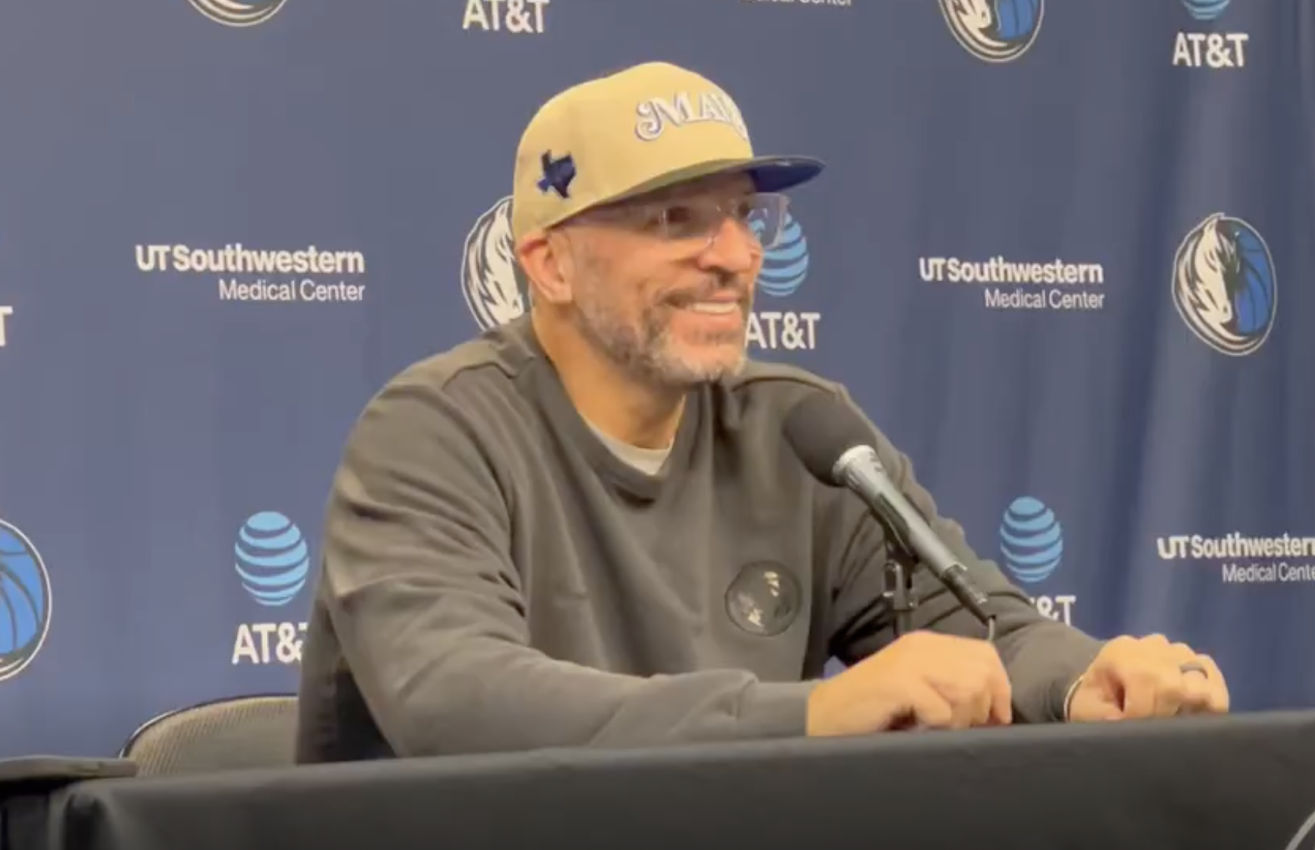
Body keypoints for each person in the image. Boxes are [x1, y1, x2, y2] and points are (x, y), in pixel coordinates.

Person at [294, 61, 1230, 763]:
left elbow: (981, 628)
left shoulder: (799, 430)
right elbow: (456, 702)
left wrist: (1085, 679)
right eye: (677, 220)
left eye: (743, 216)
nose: (735, 256)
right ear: (550, 264)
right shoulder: (434, 432)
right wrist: (812, 715)